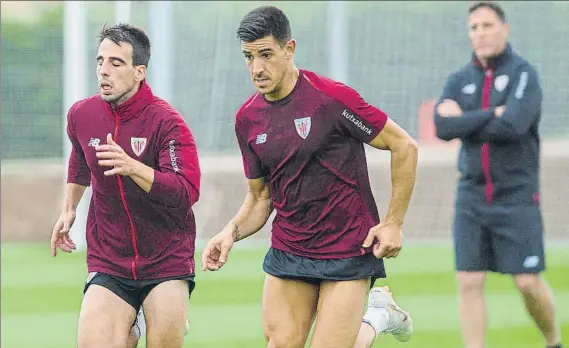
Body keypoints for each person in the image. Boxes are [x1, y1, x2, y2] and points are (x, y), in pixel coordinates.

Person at [202, 6, 418, 348]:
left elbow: (404, 146)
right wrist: (229, 233)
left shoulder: (331, 99)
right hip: (290, 248)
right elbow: (261, 198)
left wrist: (393, 222)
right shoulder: (247, 119)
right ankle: (378, 314)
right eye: (248, 56)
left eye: (266, 54)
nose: (256, 68)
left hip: (347, 246)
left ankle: (378, 316)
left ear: (290, 49)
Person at [50, 23, 201, 348]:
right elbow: (80, 158)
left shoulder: (166, 122)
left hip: (165, 257)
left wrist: (134, 168)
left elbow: (186, 191)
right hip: (109, 257)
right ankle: (129, 319)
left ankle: (154, 311)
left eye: (116, 63)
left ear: (138, 72)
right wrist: (69, 209)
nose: (103, 71)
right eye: (100, 61)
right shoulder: (82, 114)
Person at [433, 2, 563, 348]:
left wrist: (467, 119)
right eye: (474, 27)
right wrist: (491, 113)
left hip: (517, 195)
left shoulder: (524, 74)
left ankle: (552, 341)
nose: (481, 33)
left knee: (527, 283)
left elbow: (514, 124)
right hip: (471, 196)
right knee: (469, 281)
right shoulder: (458, 80)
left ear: (504, 28)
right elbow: (442, 126)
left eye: (487, 25)